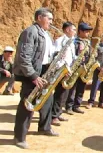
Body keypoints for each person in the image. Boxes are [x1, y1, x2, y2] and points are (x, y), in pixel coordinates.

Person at [13, 8, 58, 149]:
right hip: (31, 74)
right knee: (27, 105)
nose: (51, 22)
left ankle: (44, 127)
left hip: (44, 72)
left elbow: (48, 55)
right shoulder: (30, 32)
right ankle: (19, 137)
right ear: (39, 17)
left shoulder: (47, 34)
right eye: (49, 19)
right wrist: (33, 76)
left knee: (47, 100)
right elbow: (23, 57)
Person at [51, 22, 76, 126]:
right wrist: (63, 70)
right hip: (61, 71)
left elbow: (71, 57)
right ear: (67, 30)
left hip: (68, 71)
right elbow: (57, 58)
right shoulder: (60, 41)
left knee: (64, 94)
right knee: (59, 94)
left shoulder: (71, 42)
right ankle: (53, 116)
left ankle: (58, 112)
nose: (75, 31)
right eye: (73, 29)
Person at [65, 22, 93, 114]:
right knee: (72, 88)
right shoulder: (74, 41)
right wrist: (79, 51)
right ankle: (69, 106)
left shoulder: (88, 42)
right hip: (76, 67)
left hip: (84, 68)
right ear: (80, 31)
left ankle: (76, 105)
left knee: (81, 88)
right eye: (86, 31)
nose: (88, 33)